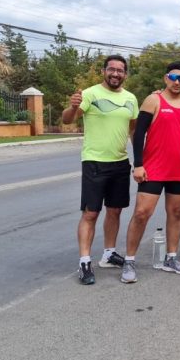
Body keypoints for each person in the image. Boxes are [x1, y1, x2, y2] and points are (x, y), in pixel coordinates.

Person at [61, 54, 138, 285]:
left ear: (125, 74)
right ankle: (84, 261)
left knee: (115, 210)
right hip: (94, 161)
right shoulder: (90, 94)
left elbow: (133, 131)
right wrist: (73, 107)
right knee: (90, 213)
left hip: (120, 162)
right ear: (104, 71)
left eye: (120, 70)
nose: (115, 74)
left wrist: (141, 160)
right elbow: (67, 120)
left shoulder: (131, 98)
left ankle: (108, 254)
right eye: (111, 69)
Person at [121, 62, 180, 282]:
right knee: (141, 213)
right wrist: (138, 164)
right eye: (173, 77)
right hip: (153, 169)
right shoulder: (153, 100)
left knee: (176, 213)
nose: (176, 82)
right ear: (166, 78)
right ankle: (129, 261)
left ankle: (171, 258)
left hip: (179, 170)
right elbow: (138, 134)